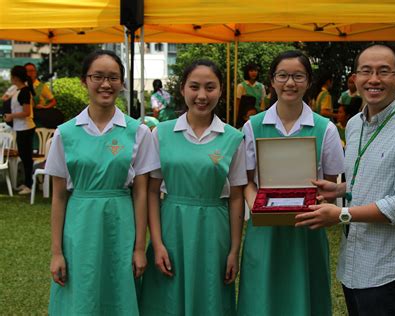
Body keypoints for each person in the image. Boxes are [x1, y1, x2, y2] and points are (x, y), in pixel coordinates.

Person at [295, 44, 395, 315]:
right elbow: (372, 180)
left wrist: (341, 214)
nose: (374, 79)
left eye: (384, 71)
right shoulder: (355, 124)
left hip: (389, 268)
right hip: (354, 264)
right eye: (366, 71)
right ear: (355, 78)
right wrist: (339, 188)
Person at [46, 50, 158, 315]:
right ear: (85, 81)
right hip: (79, 228)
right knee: (81, 294)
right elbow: (59, 196)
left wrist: (140, 247)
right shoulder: (65, 133)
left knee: (118, 294)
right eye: (98, 76)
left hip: (120, 227)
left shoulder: (138, 132)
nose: (105, 84)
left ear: (121, 83)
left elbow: (140, 194)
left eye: (113, 78)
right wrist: (56, 252)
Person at [237, 50, 345, 316]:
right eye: (282, 76)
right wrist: (260, 208)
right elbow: (246, 181)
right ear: (272, 81)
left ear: (308, 81)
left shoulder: (325, 129)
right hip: (265, 230)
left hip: (307, 226)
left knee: (305, 295)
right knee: (261, 296)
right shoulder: (253, 126)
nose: (290, 83)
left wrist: (320, 204)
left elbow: (329, 185)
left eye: (298, 76)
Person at [139, 60, 247, 315]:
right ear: (182, 90)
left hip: (214, 231)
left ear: (221, 90)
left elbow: (236, 198)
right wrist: (157, 243)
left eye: (210, 87)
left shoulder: (233, 138)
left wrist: (234, 250)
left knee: (209, 298)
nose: (202, 95)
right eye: (194, 87)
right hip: (171, 228)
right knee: (166, 298)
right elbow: (152, 192)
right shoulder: (161, 133)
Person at [3, 66, 36, 195]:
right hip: (20, 127)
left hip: (26, 127)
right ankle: (27, 182)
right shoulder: (18, 90)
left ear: (15, 77)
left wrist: (12, 116)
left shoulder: (24, 92)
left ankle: (29, 184)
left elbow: (26, 112)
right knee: (24, 156)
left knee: (26, 157)